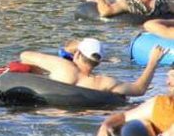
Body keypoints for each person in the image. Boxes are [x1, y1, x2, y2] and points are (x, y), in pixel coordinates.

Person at [20, 38, 165, 96]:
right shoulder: (104, 82)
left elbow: (25, 55)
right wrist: (152, 62)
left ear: (77, 55)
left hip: (49, 113)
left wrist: (38, 73)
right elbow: (139, 90)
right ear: (99, 62)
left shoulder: (61, 65)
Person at [96, 65, 174, 136]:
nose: (168, 82)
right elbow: (124, 117)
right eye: (168, 76)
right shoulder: (161, 105)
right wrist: (106, 125)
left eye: (173, 76)